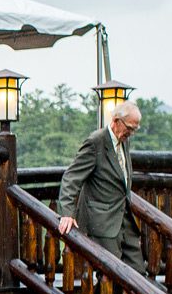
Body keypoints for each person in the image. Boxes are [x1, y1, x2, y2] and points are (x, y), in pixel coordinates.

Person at [57, 99, 145, 272]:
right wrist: (67, 213)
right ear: (116, 121)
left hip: (123, 219)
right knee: (111, 273)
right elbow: (72, 177)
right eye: (129, 128)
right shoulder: (96, 141)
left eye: (135, 130)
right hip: (101, 221)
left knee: (138, 272)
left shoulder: (124, 140)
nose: (131, 133)